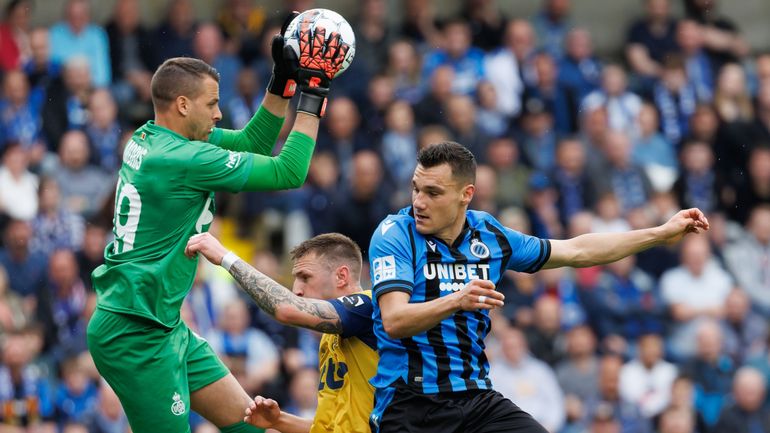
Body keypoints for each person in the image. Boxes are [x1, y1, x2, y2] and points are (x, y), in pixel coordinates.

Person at [86, 12, 352, 433]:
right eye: (211, 104)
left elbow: (251, 143)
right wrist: (313, 93)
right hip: (134, 336)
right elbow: (290, 171)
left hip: (161, 324)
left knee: (252, 425)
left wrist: (282, 82)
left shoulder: (153, 137)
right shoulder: (185, 158)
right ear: (183, 104)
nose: (218, 113)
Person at [366, 141, 709, 432]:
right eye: (416, 188)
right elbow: (395, 320)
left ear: (465, 194)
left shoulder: (489, 234)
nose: (419, 202)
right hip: (409, 403)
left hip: (473, 396)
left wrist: (660, 233)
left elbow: (576, 250)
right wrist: (456, 300)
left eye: (432, 192)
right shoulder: (395, 234)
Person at [184, 232, 376, 433]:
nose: (296, 290)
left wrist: (225, 257)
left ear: (341, 276)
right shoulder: (330, 337)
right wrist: (278, 420)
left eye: (305, 277)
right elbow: (328, 426)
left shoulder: (370, 307)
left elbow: (285, 309)